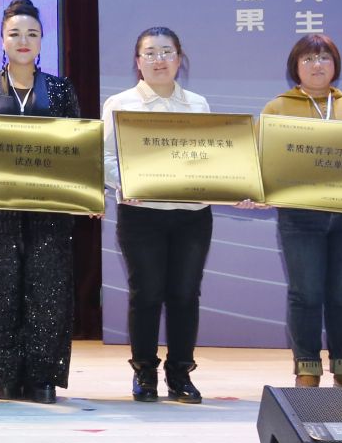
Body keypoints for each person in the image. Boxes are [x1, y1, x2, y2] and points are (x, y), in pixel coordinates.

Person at [0, 0, 84, 404]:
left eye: (32, 34)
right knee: (3, 291)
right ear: (2, 40)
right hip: (0, 211)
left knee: (49, 292)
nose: (23, 40)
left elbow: (79, 146)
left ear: (42, 40)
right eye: (14, 34)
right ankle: (6, 376)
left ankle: (43, 376)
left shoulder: (60, 89)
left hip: (51, 212)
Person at [100, 26, 239, 405]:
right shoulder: (120, 103)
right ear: (137, 61)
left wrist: (235, 184)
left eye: (166, 52)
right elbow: (105, 156)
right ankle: (144, 372)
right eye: (150, 53)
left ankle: (180, 373)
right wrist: (129, 181)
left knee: (185, 294)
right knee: (146, 294)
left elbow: (211, 158)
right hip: (141, 215)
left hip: (192, 216)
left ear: (179, 59)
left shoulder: (197, 104)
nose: (158, 60)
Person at [263, 33, 342, 390]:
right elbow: (263, 161)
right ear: (295, 66)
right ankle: (307, 368)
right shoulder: (277, 109)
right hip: (300, 217)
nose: (317, 65)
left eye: (324, 57)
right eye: (308, 58)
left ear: (335, 65)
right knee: (305, 293)